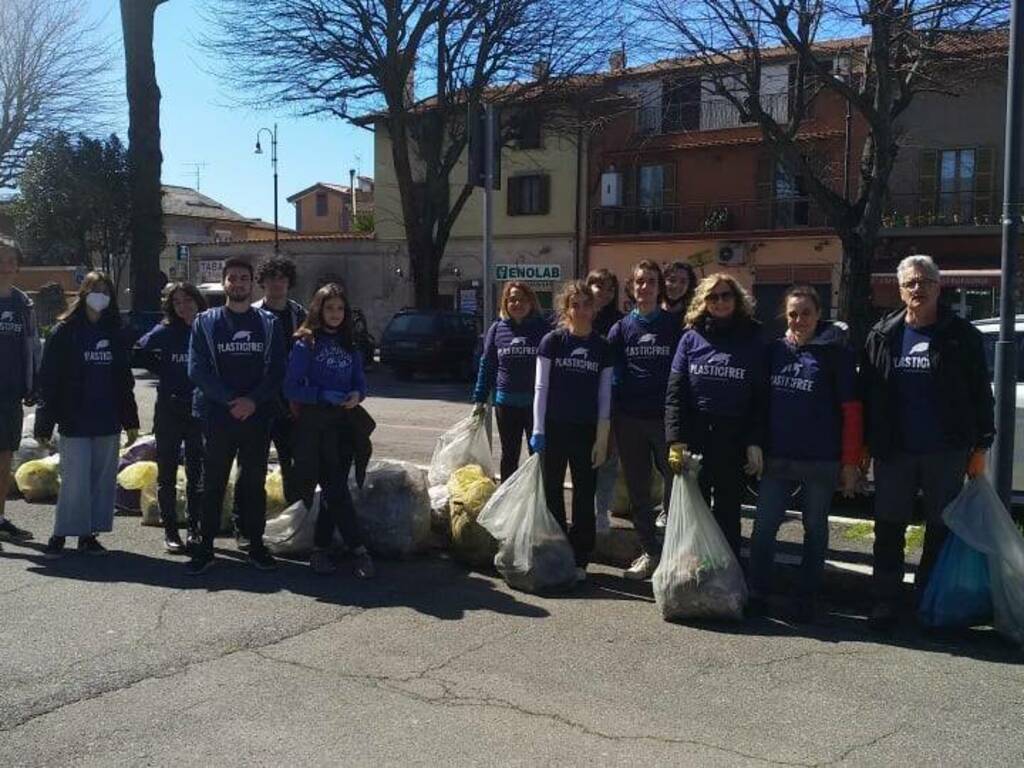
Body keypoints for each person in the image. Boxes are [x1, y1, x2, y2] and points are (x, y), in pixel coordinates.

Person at [860, 254, 994, 630]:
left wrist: (981, 445)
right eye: (910, 283)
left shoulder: (960, 335)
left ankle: (927, 601)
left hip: (945, 450)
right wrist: (864, 445)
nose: (918, 288)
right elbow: (869, 393)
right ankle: (885, 601)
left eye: (925, 282)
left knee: (939, 527)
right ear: (901, 290)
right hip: (894, 451)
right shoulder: (882, 334)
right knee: (888, 527)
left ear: (939, 286)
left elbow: (980, 392)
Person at [748, 286, 863, 621]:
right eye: (793, 314)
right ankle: (758, 591)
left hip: (820, 460)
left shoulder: (835, 354)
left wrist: (850, 462)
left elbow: (851, 411)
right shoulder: (773, 351)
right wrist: (755, 442)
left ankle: (806, 596)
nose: (799, 320)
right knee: (764, 527)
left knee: (815, 527)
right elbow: (759, 404)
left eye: (806, 313)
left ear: (818, 315)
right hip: (777, 458)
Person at [187, 257, 286, 575]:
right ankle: (205, 547)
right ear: (224, 283)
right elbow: (197, 370)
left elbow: (277, 371)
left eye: (244, 278)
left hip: (256, 417)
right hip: (217, 416)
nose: (238, 283)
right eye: (232, 278)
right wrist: (231, 400)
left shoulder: (268, 323)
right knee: (212, 482)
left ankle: (254, 544)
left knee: (253, 482)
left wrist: (253, 402)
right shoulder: (205, 321)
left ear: (251, 283)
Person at [35, 272, 139, 557]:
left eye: (106, 291)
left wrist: (130, 420)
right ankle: (60, 533)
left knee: (102, 482)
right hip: (74, 419)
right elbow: (49, 379)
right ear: (83, 293)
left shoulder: (114, 332)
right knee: (74, 481)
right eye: (94, 289)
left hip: (106, 419)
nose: (100, 295)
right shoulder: (65, 331)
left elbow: (123, 380)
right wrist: (44, 422)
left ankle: (88, 534)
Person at [664, 273, 765, 560]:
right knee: (692, 510)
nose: (720, 302)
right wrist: (675, 440)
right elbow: (675, 393)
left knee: (728, 513)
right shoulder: (690, 338)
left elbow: (760, 397)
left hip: (732, 440)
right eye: (712, 297)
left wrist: (755, 441)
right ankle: (691, 575)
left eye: (726, 296)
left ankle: (726, 578)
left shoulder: (753, 338)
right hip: (695, 438)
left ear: (736, 299)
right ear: (703, 302)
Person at [284, 283, 374, 579]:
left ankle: (320, 549)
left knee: (334, 490)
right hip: (313, 426)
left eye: (340, 308)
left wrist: (356, 396)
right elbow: (290, 387)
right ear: (318, 309)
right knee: (335, 489)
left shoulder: (350, 343)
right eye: (329, 307)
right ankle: (358, 549)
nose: (335, 313)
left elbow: (360, 381)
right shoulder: (305, 343)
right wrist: (321, 394)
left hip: (344, 425)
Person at [530, 281, 613, 583]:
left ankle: (580, 557)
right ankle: (555, 550)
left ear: (594, 308)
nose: (580, 310)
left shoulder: (602, 347)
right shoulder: (552, 341)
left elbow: (605, 395)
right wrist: (538, 429)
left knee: (583, 494)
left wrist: (602, 436)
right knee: (552, 491)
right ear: (566, 309)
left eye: (586, 304)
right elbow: (541, 387)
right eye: (574, 304)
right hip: (553, 428)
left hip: (586, 430)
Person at [608, 260, 681, 580]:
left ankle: (675, 551)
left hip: (666, 419)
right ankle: (650, 551)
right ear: (632, 287)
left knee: (675, 486)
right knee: (638, 490)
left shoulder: (674, 325)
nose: (645, 287)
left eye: (651, 281)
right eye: (639, 282)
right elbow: (611, 376)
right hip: (630, 419)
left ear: (658, 286)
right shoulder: (621, 328)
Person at [134, 283, 207, 554]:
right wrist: (162, 368)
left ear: (198, 301)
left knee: (196, 471)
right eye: (177, 302)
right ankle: (171, 531)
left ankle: (195, 529)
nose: (183, 306)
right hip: (169, 409)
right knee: (166, 472)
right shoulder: (165, 331)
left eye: (188, 300)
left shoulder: (207, 327)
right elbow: (138, 351)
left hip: (199, 410)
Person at [472, 281, 549, 481]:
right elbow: (487, 364)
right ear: (505, 303)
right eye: (512, 299)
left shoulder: (543, 329)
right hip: (506, 405)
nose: (517, 303)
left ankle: (538, 501)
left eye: (522, 299)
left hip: (536, 405)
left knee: (539, 456)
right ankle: (508, 501)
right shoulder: (497, 329)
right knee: (509, 456)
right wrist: (479, 399)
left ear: (531, 302)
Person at [252, 257, 307, 507]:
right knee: (253, 464)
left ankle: (294, 518)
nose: (277, 284)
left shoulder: (300, 314)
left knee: (293, 462)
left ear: (289, 282)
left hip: (291, 400)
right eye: (272, 278)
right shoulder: (251, 314)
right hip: (259, 399)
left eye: (282, 278)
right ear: (262, 282)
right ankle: (252, 521)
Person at [0, 237, 41, 549]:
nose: (5, 265)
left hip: (10, 394)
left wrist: (32, 384)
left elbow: (32, 347)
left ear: (17, 266)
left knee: (4, 461)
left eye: (10, 260)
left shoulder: (23, 303)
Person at [585, 268, 623, 526]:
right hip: (580, 401)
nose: (604, 292)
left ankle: (602, 511)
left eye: (610, 288)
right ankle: (584, 508)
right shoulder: (576, 317)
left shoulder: (620, 322)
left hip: (610, 401)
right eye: (598, 285)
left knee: (608, 458)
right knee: (582, 457)